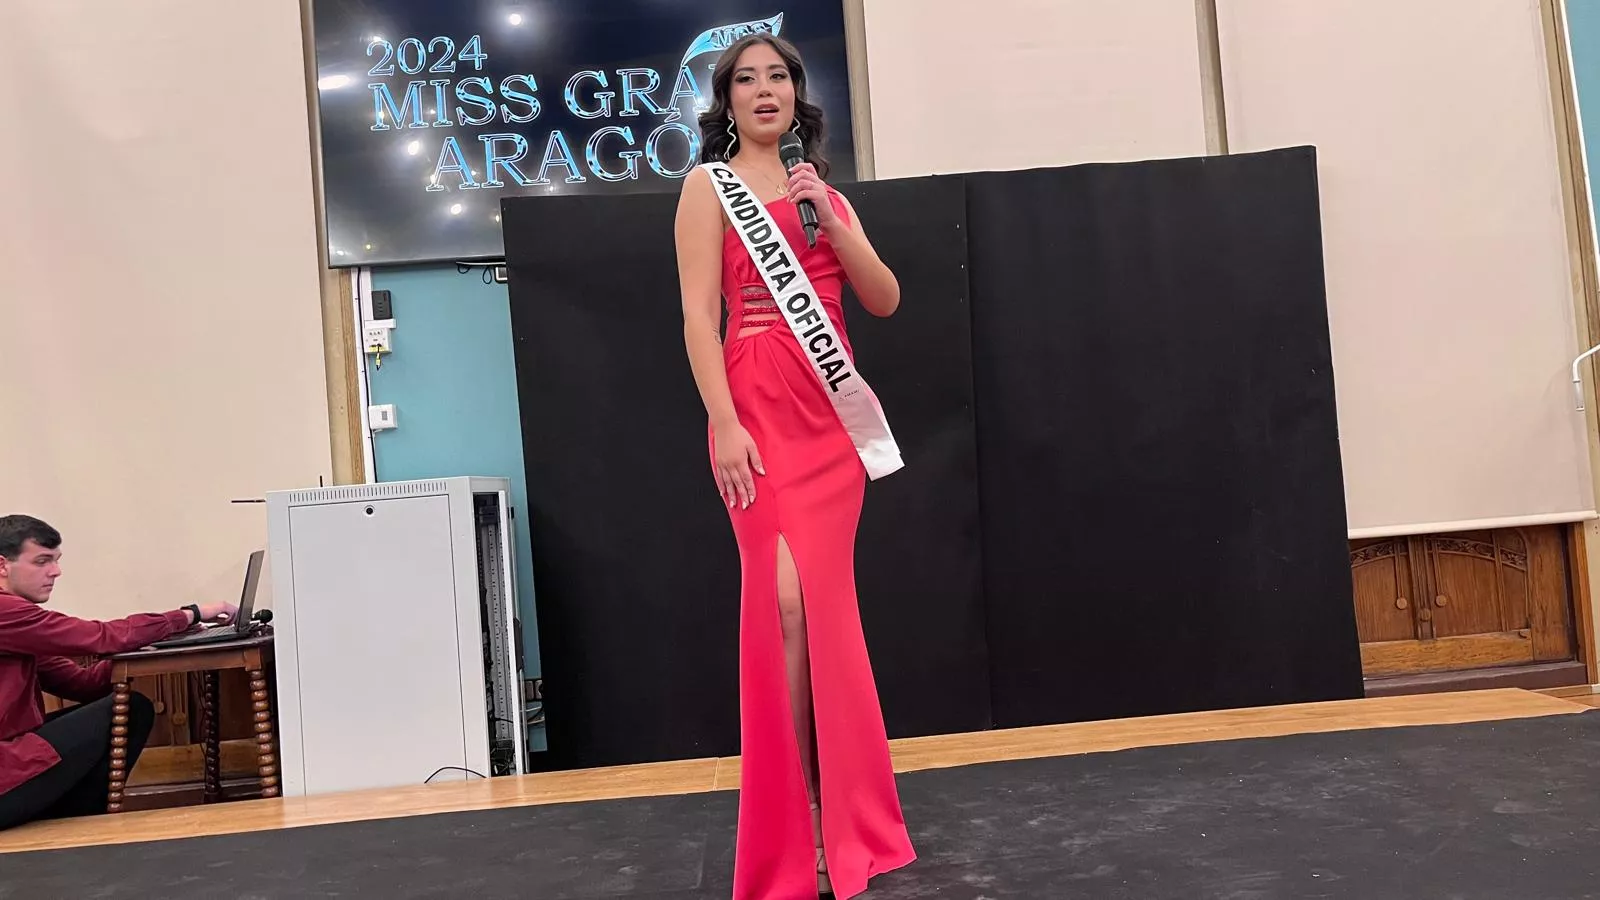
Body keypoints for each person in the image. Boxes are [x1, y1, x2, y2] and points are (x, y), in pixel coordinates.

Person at [675, 32, 915, 899]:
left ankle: (850, 823)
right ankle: (798, 819)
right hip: (754, 411)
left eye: (778, 76)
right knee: (780, 609)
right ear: (728, 101)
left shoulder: (826, 196)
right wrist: (723, 422)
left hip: (827, 420)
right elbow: (698, 318)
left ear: (797, 95)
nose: (764, 90)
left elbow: (883, 298)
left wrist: (832, 220)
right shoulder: (708, 187)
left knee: (827, 617)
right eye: (747, 79)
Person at [0, 515, 236, 830]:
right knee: (132, 709)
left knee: (129, 709)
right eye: (42, 561)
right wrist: (190, 614)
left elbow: (81, 684)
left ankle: (74, 822)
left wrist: (146, 647)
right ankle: (77, 821)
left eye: (56, 560)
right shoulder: (7, 612)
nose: (55, 571)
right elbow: (100, 636)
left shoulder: (18, 627)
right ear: (2, 566)